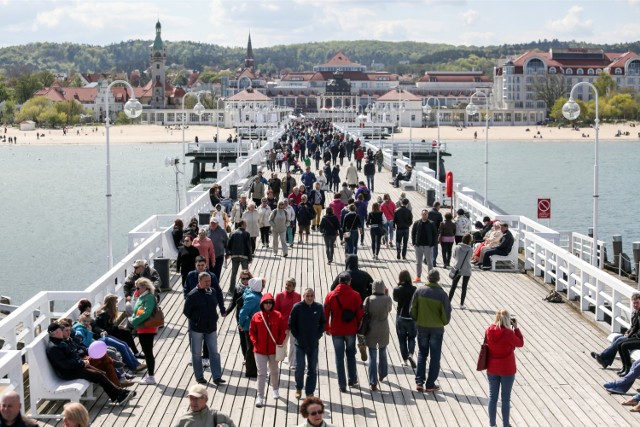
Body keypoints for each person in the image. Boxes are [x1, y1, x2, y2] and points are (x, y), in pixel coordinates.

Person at [45, 323, 133, 405]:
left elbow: (72, 357)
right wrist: (81, 362)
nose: (63, 333)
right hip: (68, 372)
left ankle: (119, 393)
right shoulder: (54, 347)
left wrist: (81, 362)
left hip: (75, 367)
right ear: (57, 332)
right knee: (98, 375)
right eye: (61, 331)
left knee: (100, 373)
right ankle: (119, 395)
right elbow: (65, 364)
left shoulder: (59, 342)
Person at [410, 269, 451, 392]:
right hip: (436, 330)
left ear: (427, 278)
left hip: (422, 327)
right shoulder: (442, 294)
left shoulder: (419, 291)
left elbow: (412, 310)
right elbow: (446, 314)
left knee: (422, 354)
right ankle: (430, 383)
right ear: (438, 279)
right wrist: (443, 322)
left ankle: (419, 382)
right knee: (435, 356)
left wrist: (418, 319)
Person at [184, 272, 227, 386]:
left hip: (211, 327)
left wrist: (217, 314)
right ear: (199, 281)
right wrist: (197, 319)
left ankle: (217, 376)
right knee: (196, 353)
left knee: (214, 352)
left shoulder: (212, 291)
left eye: (209, 281)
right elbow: (186, 312)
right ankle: (199, 377)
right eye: (206, 281)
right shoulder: (192, 295)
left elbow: (216, 302)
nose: (208, 283)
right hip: (197, 329)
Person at [324, 272, 363, 392]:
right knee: (351, 355)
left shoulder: (331, 295)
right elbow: (360, 314)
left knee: (339, 357)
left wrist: (327, 327)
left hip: (336, 330)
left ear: (339, 281)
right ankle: (352, 379)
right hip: (350, 330)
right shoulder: (356, 295)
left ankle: (342, 384)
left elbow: (325, 313)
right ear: (349, 281)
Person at [485, 309, 524, 427]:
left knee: (493, 397)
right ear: (508, 320)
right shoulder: (509, 333)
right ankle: (506, 425)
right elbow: (520, 343)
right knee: (505, 399)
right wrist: (516, 328)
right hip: (507, 369)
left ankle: (492, 425)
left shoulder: (489, 331)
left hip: (492, 368)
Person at [249, 293, 286, 408]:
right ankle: (260, 397)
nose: (268, 304)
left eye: (270, 302)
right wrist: (255, 342)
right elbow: (252, 332)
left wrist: (279, 343)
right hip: (259, 350)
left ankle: (275, 389)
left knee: (274, 371)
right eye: (266, 302)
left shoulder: (278, 315)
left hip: (274, 349)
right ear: (262, 303)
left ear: (273, 304)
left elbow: (282, 330)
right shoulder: (256, 316)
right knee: (261, 373)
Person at [289, 288, 326, 399]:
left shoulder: (319, 307)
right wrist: (297, 336)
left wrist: (318, 335)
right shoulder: (297, 307)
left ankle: (310, 392)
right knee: (299, 367)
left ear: (314, 296)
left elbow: (323, 322)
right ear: (303, 296)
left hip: (313, 344)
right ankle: (299, 387)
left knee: (312, 369)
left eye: (311, 296)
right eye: (307, 295)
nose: (309, 298)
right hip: (299, 344)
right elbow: (291, 323)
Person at [591, 292, 640, 376]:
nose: (635, 305)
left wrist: (629, 335)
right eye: (634, 303)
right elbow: (633, 326)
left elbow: (636, 328)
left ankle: (604, 358)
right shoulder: (635, 312)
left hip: (637, 337)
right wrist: (628, 332)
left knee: (621, 342)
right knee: (616, 338)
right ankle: (608, 361)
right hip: (634, 335)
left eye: (637, 303)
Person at [364, 280, 392, 391]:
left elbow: (364, 312)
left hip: (371, 329)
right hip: (383, 328)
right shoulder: (387, 299)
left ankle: (373, 381)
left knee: (372, 355)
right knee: (383, 351)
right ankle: (382, 374)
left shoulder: (369, 299)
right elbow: (389, 310)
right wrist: (387, 295)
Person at [131, 278, 158, 385]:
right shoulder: (142, 297)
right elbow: (138, 310)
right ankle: (150, 376)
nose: (136, 290)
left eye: (138, 288)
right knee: (147, 352)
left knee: (148, 352)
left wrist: (134, 320)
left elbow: (146, 313)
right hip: (142, 328)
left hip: (147, 328)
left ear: (145, 287)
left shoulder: (149, 297)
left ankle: (151, 376)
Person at [239, 277, 265, 378]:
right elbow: (243, 312)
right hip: (251, 326)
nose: (263, 287)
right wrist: (242, 324)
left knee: (252, 347)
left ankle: (253, 369)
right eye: (262, 285)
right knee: (251, 348)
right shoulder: (253, 298)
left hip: (253, 325)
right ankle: (251, 371)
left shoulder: (250, 293)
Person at [274, 278, 302, 369]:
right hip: (283, 325)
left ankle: (292, 363)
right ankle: (279, 359)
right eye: (286, 284)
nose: (287, 287)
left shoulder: (298, 296)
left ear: (294, 287)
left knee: (293, 343)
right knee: (282, 343)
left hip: (294, 325)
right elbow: (275, 310)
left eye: (289, 285)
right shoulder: (279, 295)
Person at [393, 270, 417, 367]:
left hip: (401, 316)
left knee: (402, 339)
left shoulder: (397, 289)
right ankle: (411, 354)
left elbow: (395, 299)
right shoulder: (414, 289)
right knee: (412, 338)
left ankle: (405, 360)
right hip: (411, 317)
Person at [226, 220, 253, 295]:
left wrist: (228, 253)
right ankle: (247, 289)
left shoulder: (232, 233)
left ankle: (231, 290)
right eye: (245, 224)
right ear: (242, 225)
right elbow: (249, 247)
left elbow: (229, 244)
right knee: (246, 274)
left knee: (233, 273)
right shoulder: (246, 234)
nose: (246, 226)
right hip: (244, 256)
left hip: (234, 256)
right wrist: (250, 258)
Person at [448, 234, 474, 309]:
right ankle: (461, 304)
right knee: (464, 287)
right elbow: (470, 258)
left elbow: (454, 256)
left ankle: (449, 302)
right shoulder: (470, 249)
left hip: (457, 268)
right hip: (467, 269)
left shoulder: (457, 247)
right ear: (470, 241)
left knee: (453, 286)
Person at [411, 208, 437, 282]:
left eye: (426, 214)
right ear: (421, 215)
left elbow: (435, 234)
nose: (424, 215)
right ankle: (418, 276)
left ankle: (430, 277)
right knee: (418, 262)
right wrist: (414, 243)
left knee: (430, 262)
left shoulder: (431, 223)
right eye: (423, 214)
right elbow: (413, 233)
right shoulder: (417, 223)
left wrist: (433, 244)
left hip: (428, 246)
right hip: (418, 245)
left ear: (428, 215)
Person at [207, 218, 228, 282]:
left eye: (214, 223)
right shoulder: (206, 230)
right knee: (208, 273)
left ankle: (215, 288)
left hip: (219, 256)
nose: (213, 224)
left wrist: (227, 252)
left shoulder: (222, 231)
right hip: (208, 256)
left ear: (217, 224)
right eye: (212, 223)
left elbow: (227, 242)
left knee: (216, 274)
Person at [428, 202, 443, 267]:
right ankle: (433, 261)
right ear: (437, 206)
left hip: (428, 232)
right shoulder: (439, 214)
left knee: (427, 246)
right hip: (435, 233)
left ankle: (426, 259)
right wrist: (440, 233)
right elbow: (441, 224)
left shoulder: (428, 213)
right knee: (435, 248)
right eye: (439, 206)